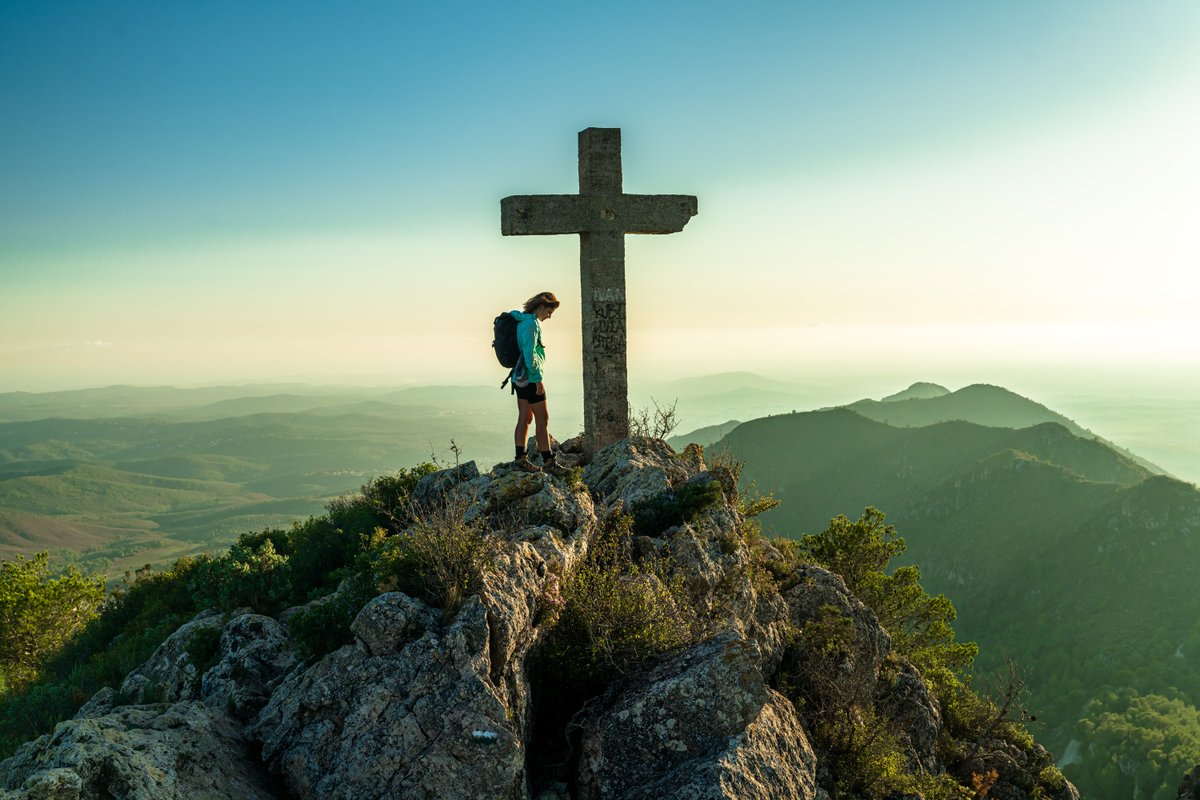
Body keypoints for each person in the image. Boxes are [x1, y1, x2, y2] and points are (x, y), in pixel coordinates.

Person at [508, 291, 569, 476]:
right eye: (549, 312)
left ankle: (520, 459)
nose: (549, 316)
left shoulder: (521, 320)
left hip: (519, 378)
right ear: (541, 307)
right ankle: (549, 461)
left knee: (525, 418)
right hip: (529, 379)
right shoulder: (531, 325)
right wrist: (537, 379)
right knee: (543, 420)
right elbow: (529, 354)